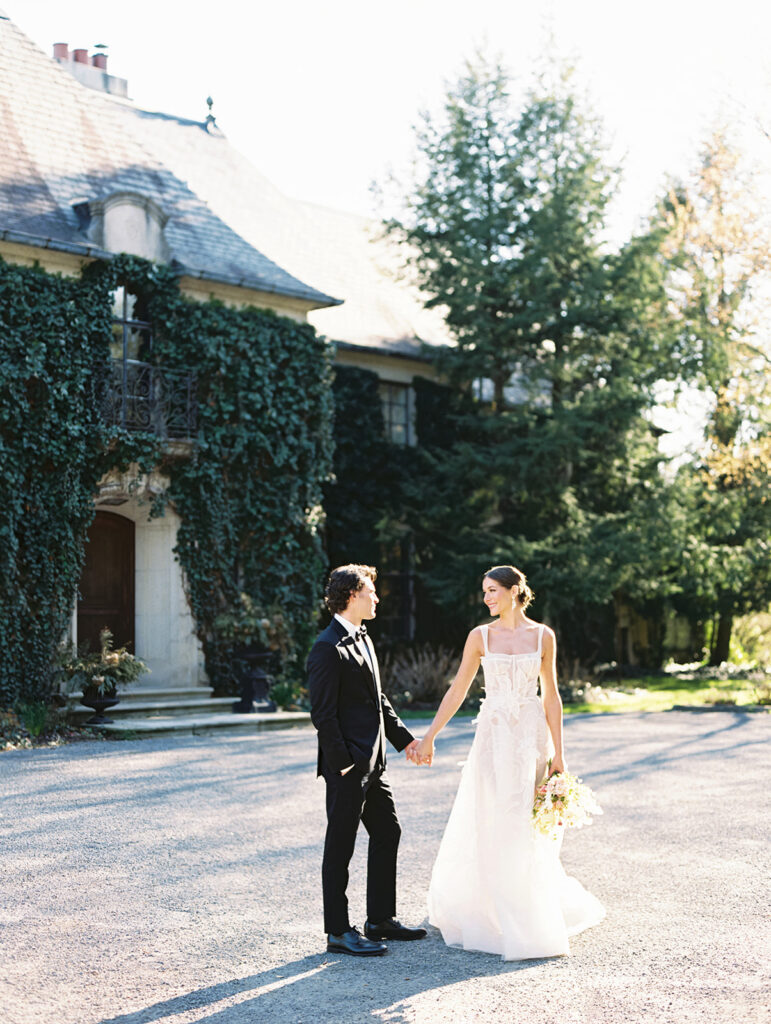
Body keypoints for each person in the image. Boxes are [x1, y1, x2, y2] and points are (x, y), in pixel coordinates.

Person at [414, 564, 605, 960]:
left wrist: (560, 756)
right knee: (493, 817)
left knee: (528, 824)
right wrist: (429, 736)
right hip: (494, 739)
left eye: (492, 590)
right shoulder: (479, 636)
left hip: (531, 741)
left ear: (514, 591)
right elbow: (457, 689)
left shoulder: (543, 636)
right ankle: (492, 910)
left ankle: (532, 908)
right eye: (483, 591)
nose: (486, 598)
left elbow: (552, 696)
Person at [307, 563, 427, 957]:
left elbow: (379, 702)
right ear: (352, 595)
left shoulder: (365, 639)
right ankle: (338, 932)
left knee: (388, 831)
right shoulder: (326, 647)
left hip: (374, 765)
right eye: (371, 592)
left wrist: (405, 741)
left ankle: (379, 919)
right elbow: (322, 715)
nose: (377, 598)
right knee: (340, 846)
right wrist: (344, 764)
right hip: (348, 768)